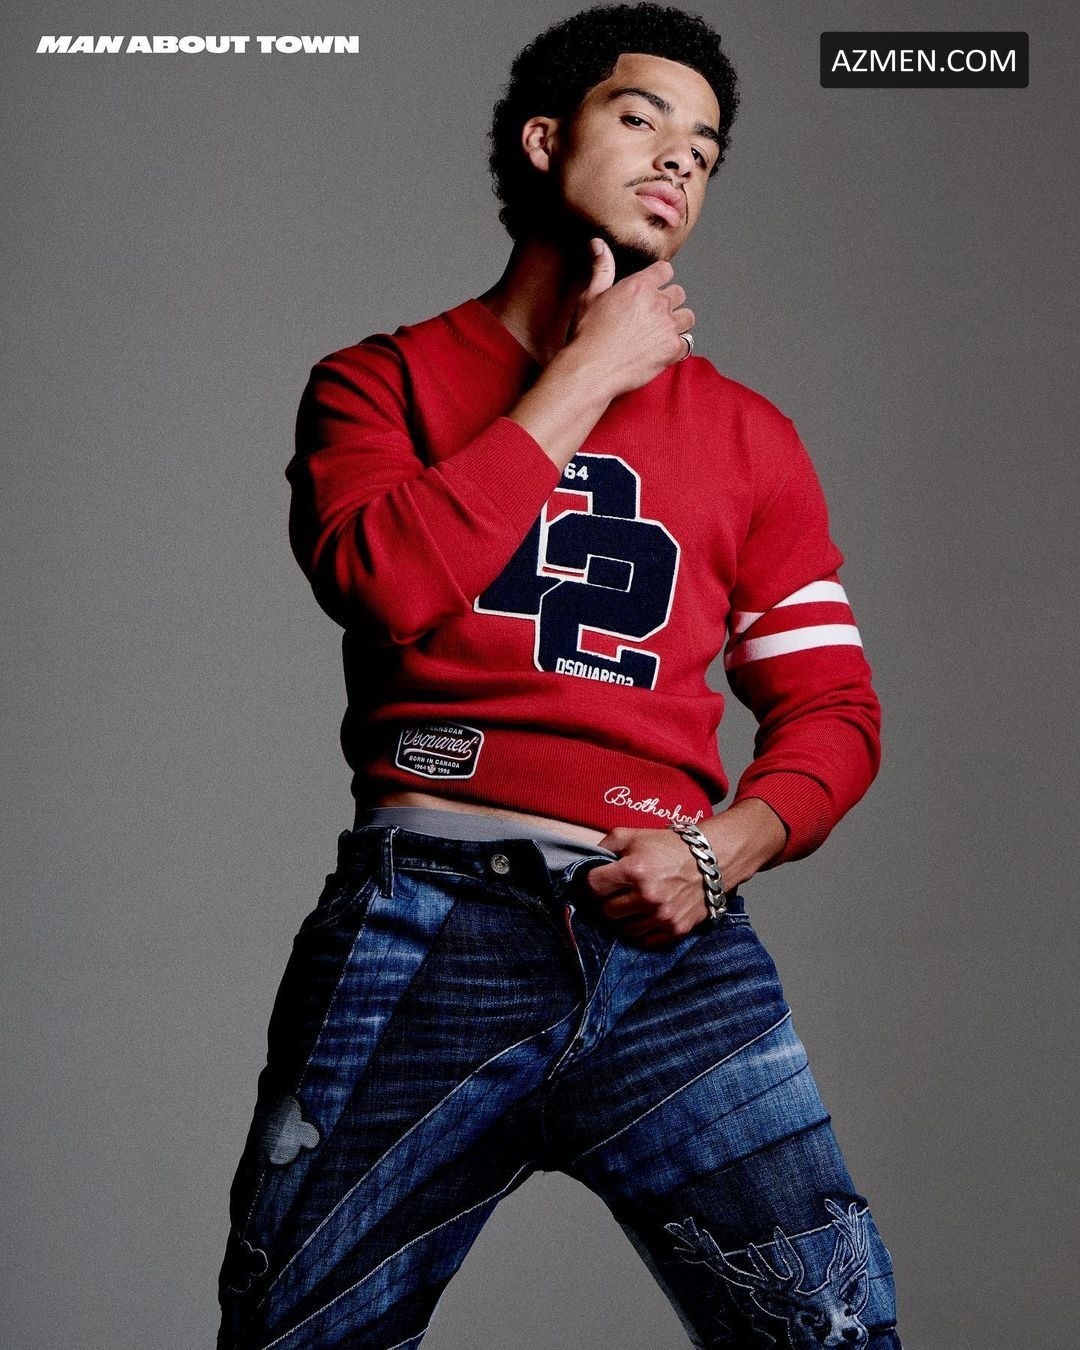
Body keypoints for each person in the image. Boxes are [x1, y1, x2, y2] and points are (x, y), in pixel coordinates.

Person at [216, 4, 900, 1345]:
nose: (679, 158)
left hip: (670, 944)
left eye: (705, 148)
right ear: (545, 140)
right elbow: (385, 581)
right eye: (642, 118)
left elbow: (834, 709)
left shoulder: (752, 440)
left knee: (834, 1328)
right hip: (427, 922)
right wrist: (587, 374)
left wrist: (723, 850)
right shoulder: (378, 383)